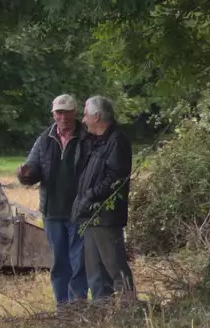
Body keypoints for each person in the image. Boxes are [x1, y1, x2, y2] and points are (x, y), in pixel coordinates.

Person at [17, 94, 90, 306]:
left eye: (67, 112)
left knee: (79, 261)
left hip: (80, 210)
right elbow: (32, 170)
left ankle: (79, 303)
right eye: (59, 112)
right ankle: (63, 306)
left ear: (74, 113)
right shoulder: (44, 139)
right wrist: (25, 173)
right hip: (53, 212)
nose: (63, 117)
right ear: (53, 114)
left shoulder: (87, 138)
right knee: (60, 262)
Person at [74, 95, 135, 302]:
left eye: (85, 115)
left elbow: (114, 178)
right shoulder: (98, 141)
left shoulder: (117, 141)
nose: (83, 120)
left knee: (115, 267)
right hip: (91, 216)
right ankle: (102, 317)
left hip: (106, 217)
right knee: (96, 274)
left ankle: (130, 311)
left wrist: (90, 196)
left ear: (97, 116)